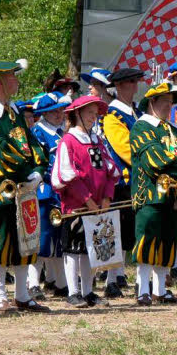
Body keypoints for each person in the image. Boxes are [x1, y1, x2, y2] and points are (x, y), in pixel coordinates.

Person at [0, 60, 50, 313]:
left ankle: (23, 295)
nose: (16, 81)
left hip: (23, 186)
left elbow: (32, 142)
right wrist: (27, 172)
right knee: (0, 240)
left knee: (24, 240)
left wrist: (38, 170)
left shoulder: (13, 109)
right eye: (12, 77)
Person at [129, 82, 177, 305]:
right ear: (152, 102)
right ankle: (143, 289)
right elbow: (155, 161)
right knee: (147, 239)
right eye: (164, 101)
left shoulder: (175, 130)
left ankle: (160, 290)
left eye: (171, 102)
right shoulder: (141, 128)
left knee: (168, 241)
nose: (168, 106)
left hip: (175, 199)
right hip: (151, 196)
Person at [51, 95, 121, 307]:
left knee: (90, 250)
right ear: (77, 114)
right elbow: (67, 176)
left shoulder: (97, 141)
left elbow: (110, 171)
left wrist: (107, 197)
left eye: (95, 114)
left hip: (98, 206)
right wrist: (87, 199)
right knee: (73, 250)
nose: (93, 117)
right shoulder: (68, 142)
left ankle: (89, 292)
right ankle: (73, 292)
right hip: (76, 206)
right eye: (90, 113)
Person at [101, 68, 145, 293]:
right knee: (115, 231)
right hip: (122, 181)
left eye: (136, 81)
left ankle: (127, 278)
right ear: (118, 86)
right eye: (130, 82)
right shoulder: (112, 115)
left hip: (138, 179)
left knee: (133, 231)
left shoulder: (136, 112)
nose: (135, 86)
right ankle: (111, 279)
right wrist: (150, 160)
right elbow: (126, 149)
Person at [28, 91, 68, 299]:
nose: (59, 114)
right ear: (44, 113)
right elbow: (38, 162)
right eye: (54, 111)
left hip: (60, 191)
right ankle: (33, 282)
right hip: (44, 190)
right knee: (41, 238)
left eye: (61, 110)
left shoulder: (62, 132)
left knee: (58, 238)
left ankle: (59, 282)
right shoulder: (38, 132)